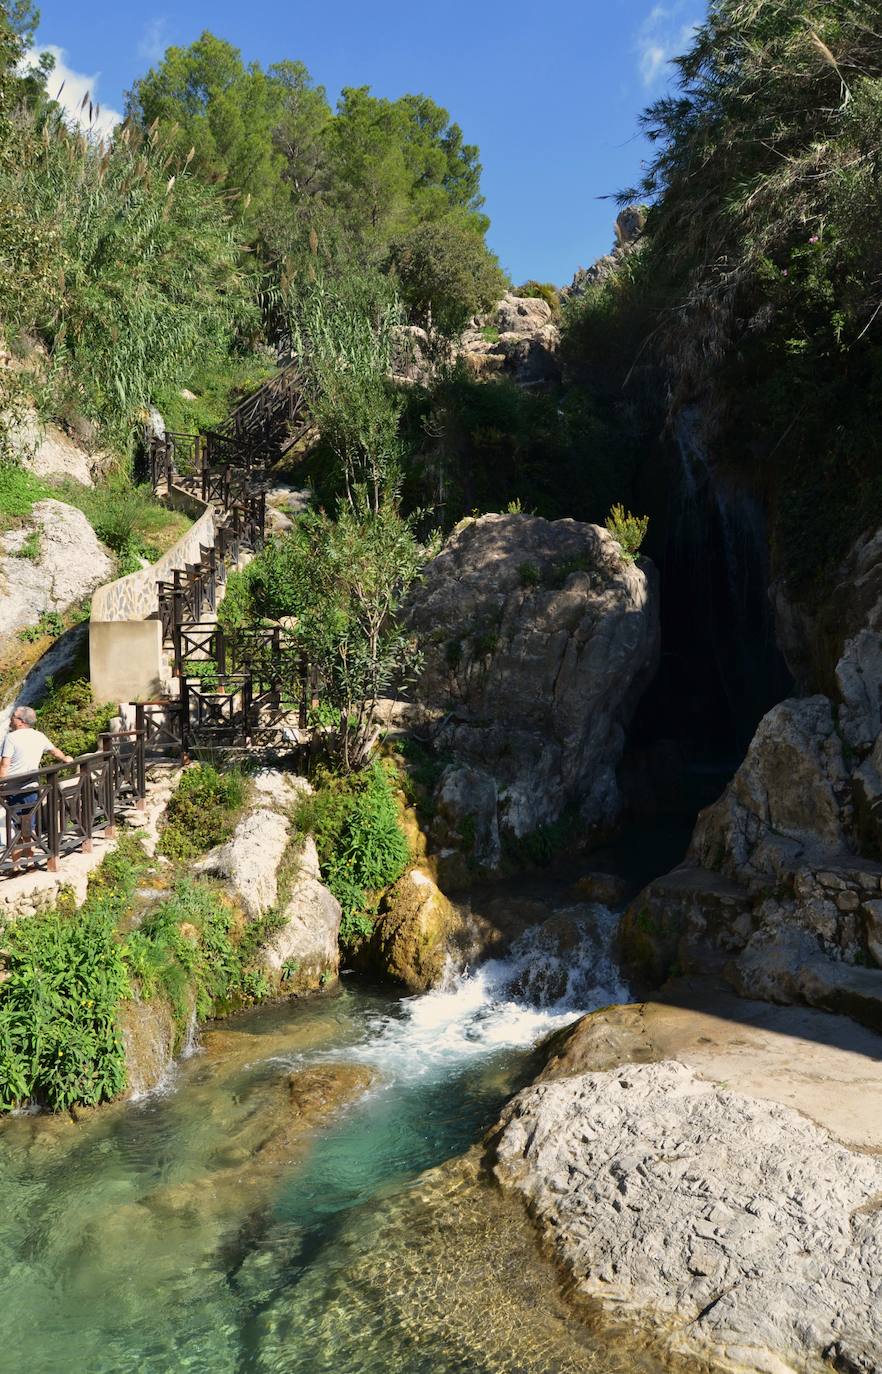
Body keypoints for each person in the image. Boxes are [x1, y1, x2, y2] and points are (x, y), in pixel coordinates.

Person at [0, 706, 72, 871]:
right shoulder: (39, 736)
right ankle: (31, 862)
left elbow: (5, 765)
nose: (11, 719)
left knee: (16, 827)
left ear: (21, 722)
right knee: (29, 825)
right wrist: (65, 758)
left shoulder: (11, 738)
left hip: (13, 788)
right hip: (32, 787)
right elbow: (54, 752)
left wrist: (1, 786)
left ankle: (16, 866)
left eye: (14, 717)